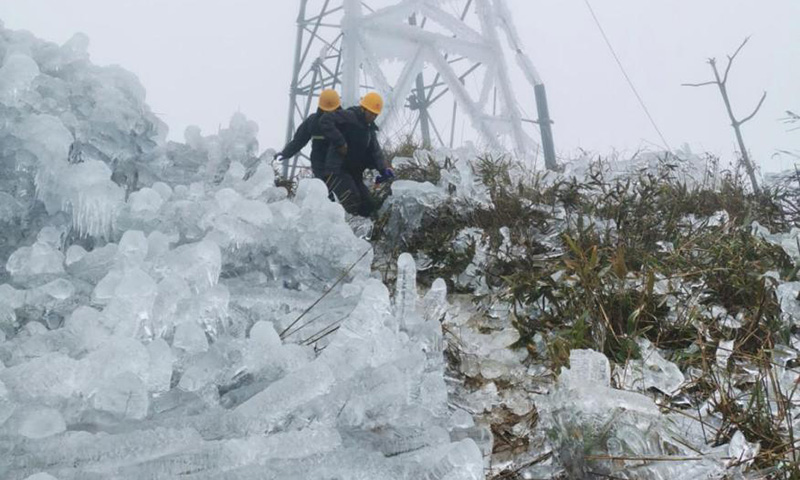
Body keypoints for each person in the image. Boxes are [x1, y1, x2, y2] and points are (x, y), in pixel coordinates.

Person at [319, 91, 394, 217]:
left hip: (354, 174)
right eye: (371, 113)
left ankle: (365, 234)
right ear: (363, 108)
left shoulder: (369, 129)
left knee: (369, 205)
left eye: (375, 115)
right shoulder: (349, 116)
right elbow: (325, 120)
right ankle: (345, 230)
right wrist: (340, 143)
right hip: (337, 172)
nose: (373, 117)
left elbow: (375, 151)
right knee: (353, 200)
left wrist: (384, 169)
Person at [275, 89, 342, 179]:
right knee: (326, 187)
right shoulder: (313, 121)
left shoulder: (344, 121)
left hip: (339, 165)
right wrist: (286, 153)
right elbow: (299, 140)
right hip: (320, 165)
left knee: (338, 187)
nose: (329, 113)